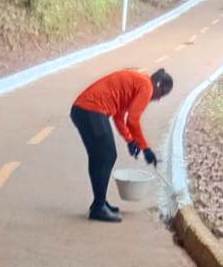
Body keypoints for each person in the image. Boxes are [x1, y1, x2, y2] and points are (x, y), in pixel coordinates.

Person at [69, 68, 174, 223]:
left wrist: (130, 140)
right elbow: (133, 120)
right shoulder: (147, 86)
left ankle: (99, 202)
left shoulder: (138, 83)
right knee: (107, 156)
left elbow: (119, 116)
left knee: (98, 157)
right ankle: (98, 207)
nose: (158, 99)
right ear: (158, 85)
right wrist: (146, 149)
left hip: (81, 110)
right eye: (162, 94)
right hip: (92, 110)